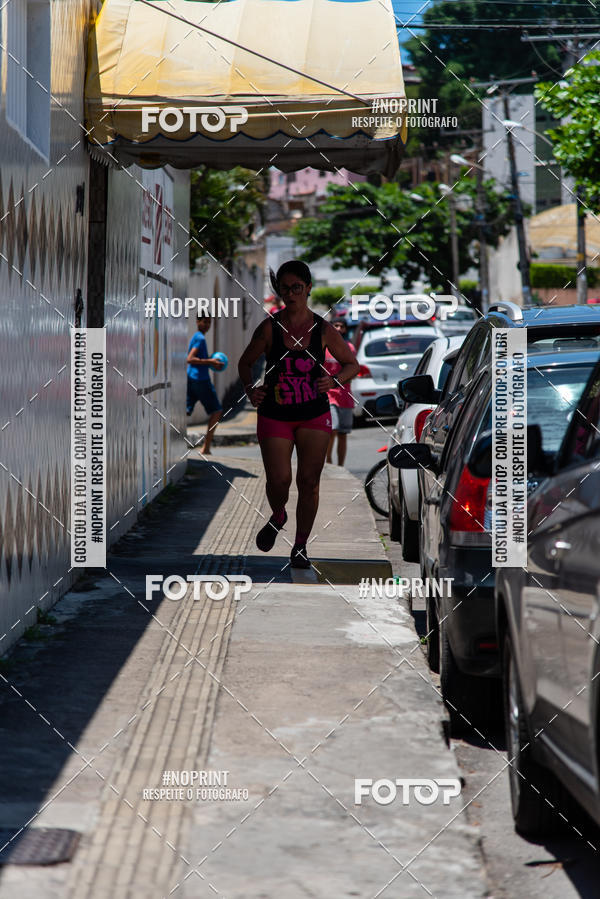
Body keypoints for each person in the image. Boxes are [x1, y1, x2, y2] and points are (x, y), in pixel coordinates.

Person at [238, 261, 359, 569]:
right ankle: (278, 515)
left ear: (308, 289)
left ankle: (301, 545)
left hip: (313, 413)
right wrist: (251, 389)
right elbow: (245, 362)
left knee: (309, 481)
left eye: (296, 288)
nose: (290, 294)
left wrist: (333, 381)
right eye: (285, 289)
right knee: (279, 480)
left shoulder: (323, 329)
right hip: (275, 413)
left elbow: (351, 364)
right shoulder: (269, 328)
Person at [186, 314, 225, 455]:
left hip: (191, 378)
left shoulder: (196, 336)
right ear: (197, 322)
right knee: (217, 411)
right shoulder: (200, 339)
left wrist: (209, 361)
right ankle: (206, 448)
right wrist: (211, 362)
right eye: (204, 322)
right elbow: (190, 359)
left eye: (209, 322)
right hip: (201, 380)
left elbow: (196, 359)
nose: (207, 325)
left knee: (185, 411)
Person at [325, 319, 356, 466]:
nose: (338, 328)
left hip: (345, 396)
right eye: (335, 325)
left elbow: (354, 370)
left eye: (341, 326)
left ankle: (341, 466)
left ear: (345, 329)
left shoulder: (350, 347)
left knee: (343, 434)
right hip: (329, 395)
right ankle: (329, 461)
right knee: (333, 429)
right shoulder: (324, 347)